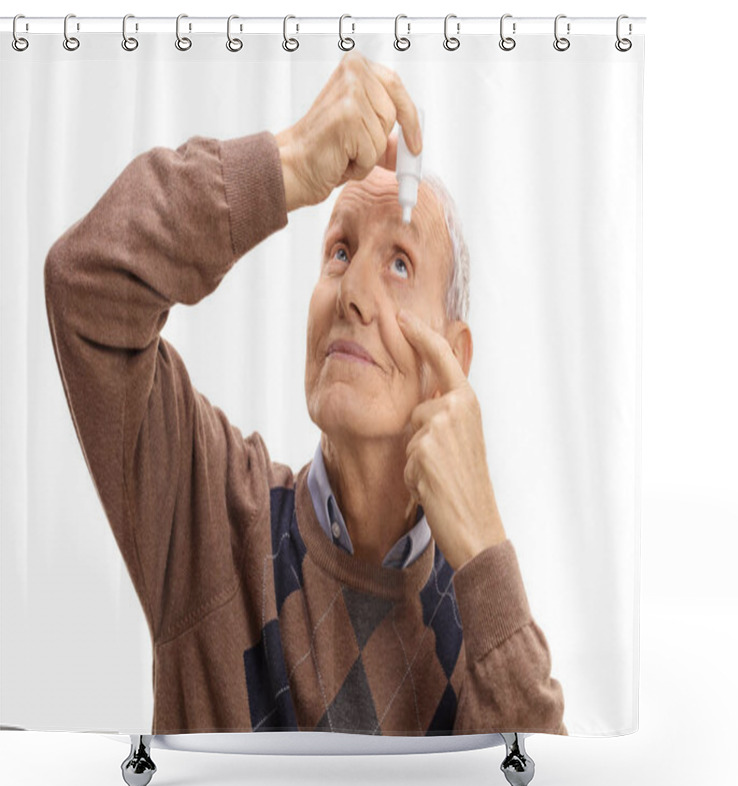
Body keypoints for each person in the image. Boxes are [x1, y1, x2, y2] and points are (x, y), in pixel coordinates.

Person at [45, 52, 566, 736]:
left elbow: (545, 779)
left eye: (400, 262)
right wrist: (287, 163)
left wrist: (486, 552)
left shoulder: (483, 622)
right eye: (341, 251)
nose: (351, 295)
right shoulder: (212, 514)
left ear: (453, 360)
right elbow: (87, 284)